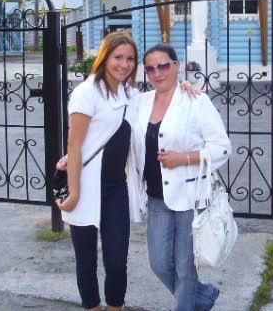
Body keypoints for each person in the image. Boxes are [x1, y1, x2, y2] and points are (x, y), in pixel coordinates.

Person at [127, 43, 231, 311]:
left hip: (191, 197)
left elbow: (222, 147)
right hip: (156, 197)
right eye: (151, 69)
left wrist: (185, 158)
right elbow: (109, 105)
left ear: (176, 65)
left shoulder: (195, 101)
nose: (158, 73)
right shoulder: (139, 102)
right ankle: (203, 295)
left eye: (163, 66)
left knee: (185, 267)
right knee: (159, 263)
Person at [57, 31, 139, 311]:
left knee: (117, 262)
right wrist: (74, 193)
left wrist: (185, 86)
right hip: (85, 185)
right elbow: (74, 144)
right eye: (118, 57)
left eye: (130, 59)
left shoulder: (131, 95)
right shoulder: (87, 92)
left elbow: (163, 98)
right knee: (86, 260)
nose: (124, 64)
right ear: (105, 57)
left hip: (116, 189)